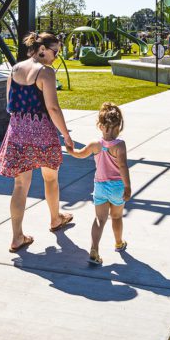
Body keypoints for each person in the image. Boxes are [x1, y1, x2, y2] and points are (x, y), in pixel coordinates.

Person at [0, 32, 75, 252]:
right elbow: (53, 108)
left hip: (18, 130)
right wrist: (66, 134)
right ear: (42, 50)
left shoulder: (15, 68)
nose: (56, 57)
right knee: (50, 178)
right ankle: (55, 218)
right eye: (55, 51)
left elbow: (9, 103)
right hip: (42, 131)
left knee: (20, 184)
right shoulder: (46, 72)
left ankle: (17, 237)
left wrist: (21, 122)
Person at [68, 102, 132, 266]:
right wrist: (127, 186)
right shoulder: (120, 145)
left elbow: (80, 155)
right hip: (117, 186)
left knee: (99, 219)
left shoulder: (95, 144)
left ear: (100, 126)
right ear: (119, 126)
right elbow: (123, 166)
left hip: (100, 187)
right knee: (116, 216)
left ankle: (94, 249)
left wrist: (70, 150)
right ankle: (118, 243)